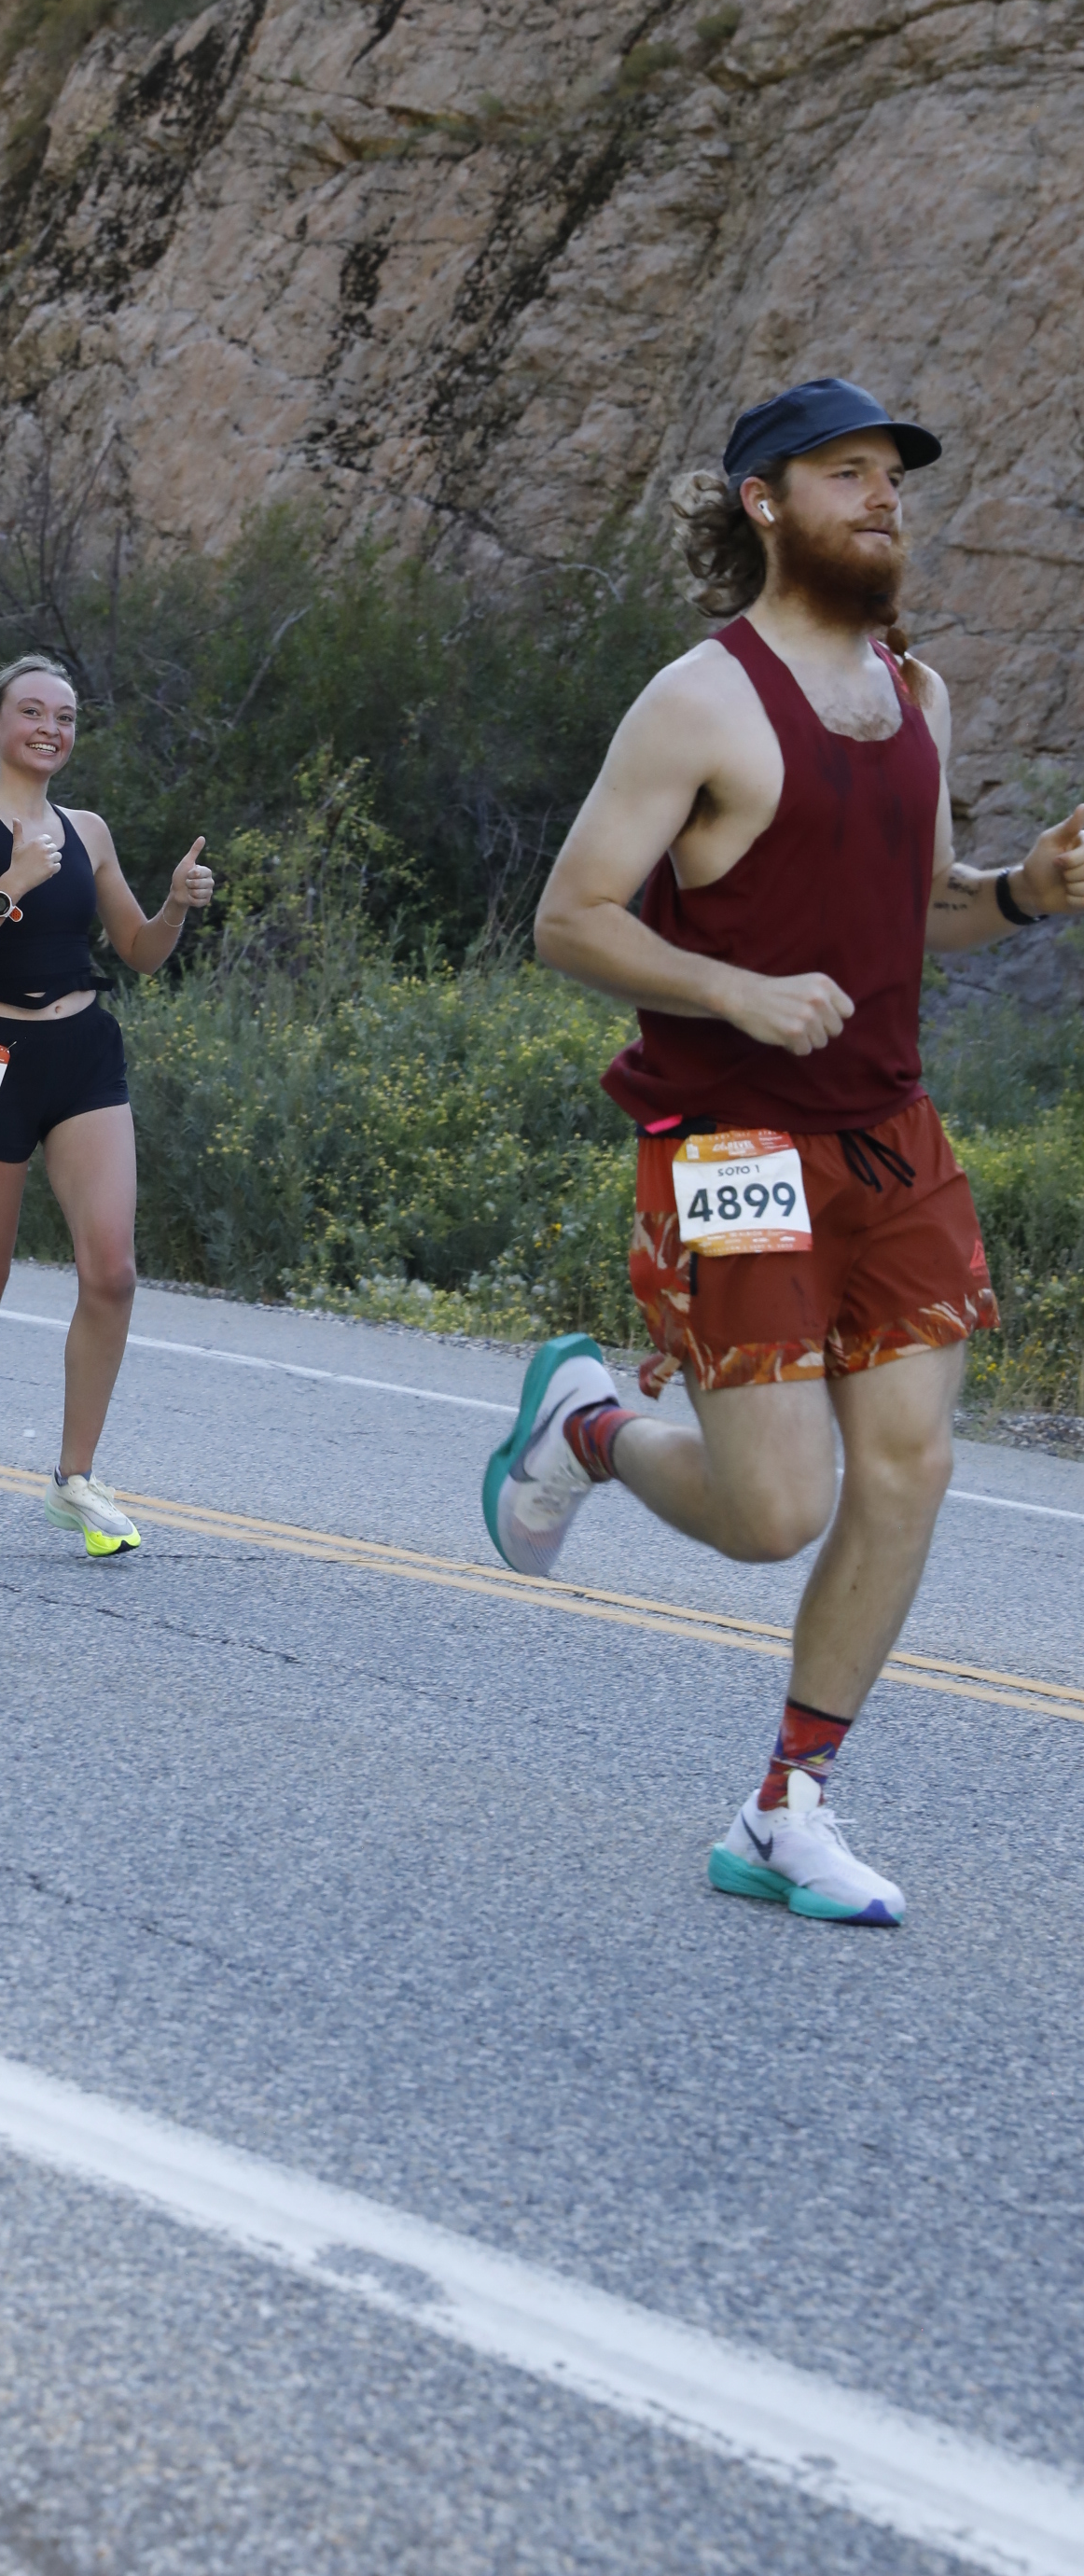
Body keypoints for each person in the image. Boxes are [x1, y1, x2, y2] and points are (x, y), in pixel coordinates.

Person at [486, 376, 1084, 1923]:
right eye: (846, 474)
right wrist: (735, 989)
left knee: (912, 1462)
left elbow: (921, 910)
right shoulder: (701, 700)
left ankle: (786, 1806)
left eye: (893, 475)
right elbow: (572, 918)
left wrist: (1024, 893)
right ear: (765, 503)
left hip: (891, 1136)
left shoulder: (919, 696)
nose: (884, 498)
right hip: (733, 1143)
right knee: (773, 1515)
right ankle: (589, 1429)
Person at [0, 653, 215, 1556]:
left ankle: (75, 1479)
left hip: (81, 1054)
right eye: (32, 712)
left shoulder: (89, 832)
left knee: (111, 1272)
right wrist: (10, 888)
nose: (50, 728)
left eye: (65, 716)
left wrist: (173, 906)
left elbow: (138, 951)